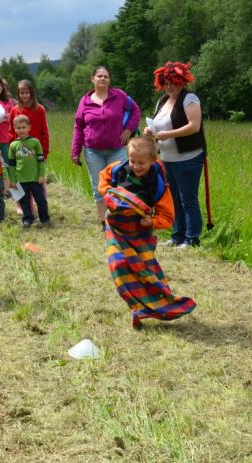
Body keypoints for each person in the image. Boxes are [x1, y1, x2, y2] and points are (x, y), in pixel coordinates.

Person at [98, 136, 196, 330]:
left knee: (144, 273)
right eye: (132, 160)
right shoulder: (118, 169)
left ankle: (163, 304)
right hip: (117, 230)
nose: (135, 166)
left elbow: (168, 217)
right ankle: (137, 308)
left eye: (141, 162)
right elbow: (103, 180)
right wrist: (111, 194)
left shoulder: (158, 184)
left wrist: (151, 221)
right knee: (118, 266)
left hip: (140, 234)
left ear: (153, 160)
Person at [143, 61, 206, 249]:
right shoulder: (162, 101)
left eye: (173, 82)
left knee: (188, 199)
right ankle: (177, 236)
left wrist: (167, 135)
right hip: (167, 159)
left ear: (182, 80)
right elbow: (158, 125)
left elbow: (194, 126)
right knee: (174, 199)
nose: (169, 86)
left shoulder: (190, 99)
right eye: (166, 82)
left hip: (188, 158)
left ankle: (192, 238)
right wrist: (149, 131)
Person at [71, 66, 141, 231]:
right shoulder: (85, 101)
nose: (102, 79)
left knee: (121, 184)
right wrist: (75, 151)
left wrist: (128, 129)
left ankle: (119, 219)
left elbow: (136, 111)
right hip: (92, 151)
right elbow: (78, 126)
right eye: (99, 76)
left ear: (109, 80)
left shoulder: (119, 96)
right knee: (98, 186)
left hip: (116, 149)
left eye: (106, 76)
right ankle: (104, 222)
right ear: (92, 79)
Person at [8, 115, 50, 228]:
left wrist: (41, 175)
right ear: (14, 128)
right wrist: (12, 180)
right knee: (24, 201)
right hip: (21, 179)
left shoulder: (35, 142)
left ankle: (45, 218)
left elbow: (41, 161)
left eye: (23, 127)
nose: (21, 130)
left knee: (41, 200)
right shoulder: (13, 145)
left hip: (35, 178)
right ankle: (27, 219)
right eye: (18, 128)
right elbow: (11, 165)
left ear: (29, 127)